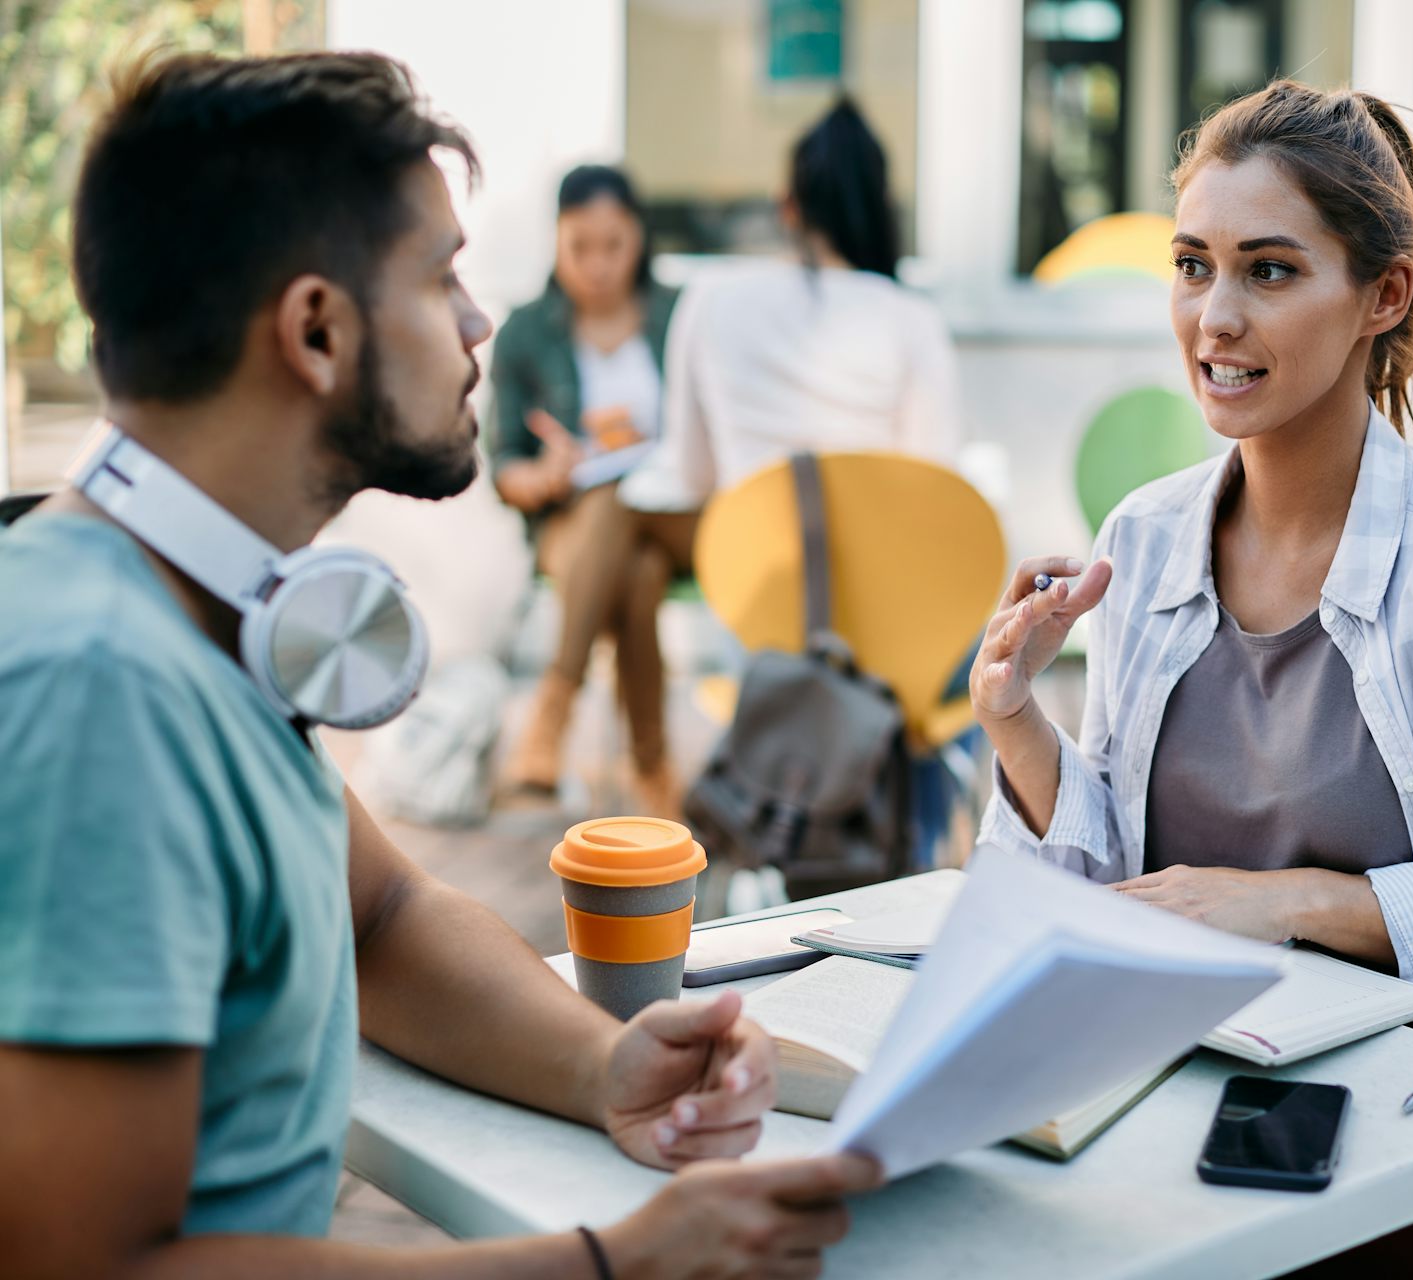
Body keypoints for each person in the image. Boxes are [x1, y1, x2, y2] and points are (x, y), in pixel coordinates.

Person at [0, 52, 877, 1278]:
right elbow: (95, 1265)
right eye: (442, 274)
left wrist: (603, 1063)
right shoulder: (100, 686)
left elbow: (383, 912)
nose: (477, 323)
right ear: (316, 328)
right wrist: (611, 1262)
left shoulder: (202, 606)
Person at [969, 80, 1413, 1279]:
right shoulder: (1142, 539)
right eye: (1192, 266)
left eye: (1271, 270)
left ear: (1382, 296)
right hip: (1186, 1108)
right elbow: (1127, 890)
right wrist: (1017, 723)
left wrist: (1304, 898)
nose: (1215, 317)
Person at [618, 95, 962, 514]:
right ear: (884, 205)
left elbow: (692, 477)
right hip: (880, 574)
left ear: (787, 205)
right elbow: (933, 479)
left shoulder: (708, 299)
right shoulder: (912, 319)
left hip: (746, 570)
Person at [490, 165, 696, 811]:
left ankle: (553, 709)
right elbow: (504, 465)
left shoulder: (681, 317)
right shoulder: (525, 331)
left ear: (639, 240)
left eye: (614, 245)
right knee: (635, 573)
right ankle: (653, 771)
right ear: (555, 241)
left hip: (677, 513)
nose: (598, 265)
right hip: (571, 522)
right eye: (580, 247)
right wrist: (540, 476)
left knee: (627, 495)